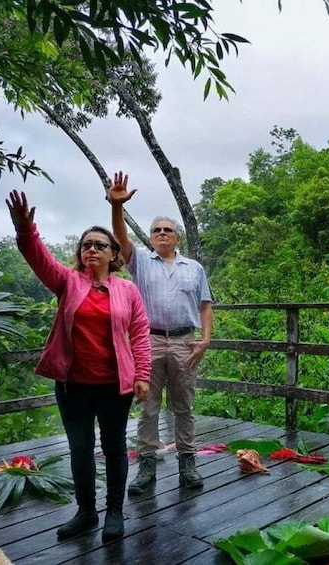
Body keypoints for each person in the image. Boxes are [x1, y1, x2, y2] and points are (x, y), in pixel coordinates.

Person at [6, 190, 151, 543]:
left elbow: (140, 332)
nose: (92, 250)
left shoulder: (127, 290)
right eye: (86, 244)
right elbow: (38, 258)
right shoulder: (68, 282)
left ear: (114, 254)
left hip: (115, 385)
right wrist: (26, 230)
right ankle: (86, 512)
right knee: (81, 449)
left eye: (100, 245)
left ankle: (114, 512)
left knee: (115, 447)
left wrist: (143, 375)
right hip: (74, 386)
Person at [107, 171, 213, 494]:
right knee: (148, 407)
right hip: (148, 341)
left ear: (177, 237)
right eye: (156, 230)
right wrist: (117, 206)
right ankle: (147, 468)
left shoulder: (193, 268)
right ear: (151, 238)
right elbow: (121, 239)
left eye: (168, 230)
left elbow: (205, 304)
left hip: (184, 342)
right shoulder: (140, 261)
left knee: (184, 406)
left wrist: (205, 340)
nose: (162, 233)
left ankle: (188, 464)